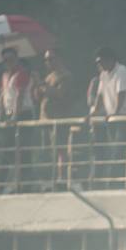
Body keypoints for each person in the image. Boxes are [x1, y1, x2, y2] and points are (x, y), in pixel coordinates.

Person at [87, 46, 126, 185]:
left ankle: (117, 182)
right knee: (112, 150)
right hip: (112, 119)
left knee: (118, 150)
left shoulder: (122, 71)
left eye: (101, 61)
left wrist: (115, 112)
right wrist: (94, 113)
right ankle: (114, 181)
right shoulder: (103, 74)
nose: (99, 65)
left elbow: (122, 94)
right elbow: (99, 96)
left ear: (110, 59)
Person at [0, 47, 36, 192]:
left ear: (16, 59)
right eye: (5, 60)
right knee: (7, 150)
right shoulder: (5, 76)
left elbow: (20, 96)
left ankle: (24, 184)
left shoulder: (21, 74)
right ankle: (1, 184)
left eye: (10, 59)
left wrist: (14, 117)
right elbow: (2, 97)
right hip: (9, 114)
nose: (8, 63)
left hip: (23, 114)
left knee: (23, 150)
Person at [32, 48, 77, 186]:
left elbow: (59, 94)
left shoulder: (66, 76)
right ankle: (52, 179)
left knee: (60, 149)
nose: (48, 62)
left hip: (59, 118)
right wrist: (37, 86)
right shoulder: (49, 77)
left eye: (50, 59)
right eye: (46, 59)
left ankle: (61, 178)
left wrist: (41, 83)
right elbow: (38, 97)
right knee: (51, 150)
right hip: (46, 119)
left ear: (59, 59)